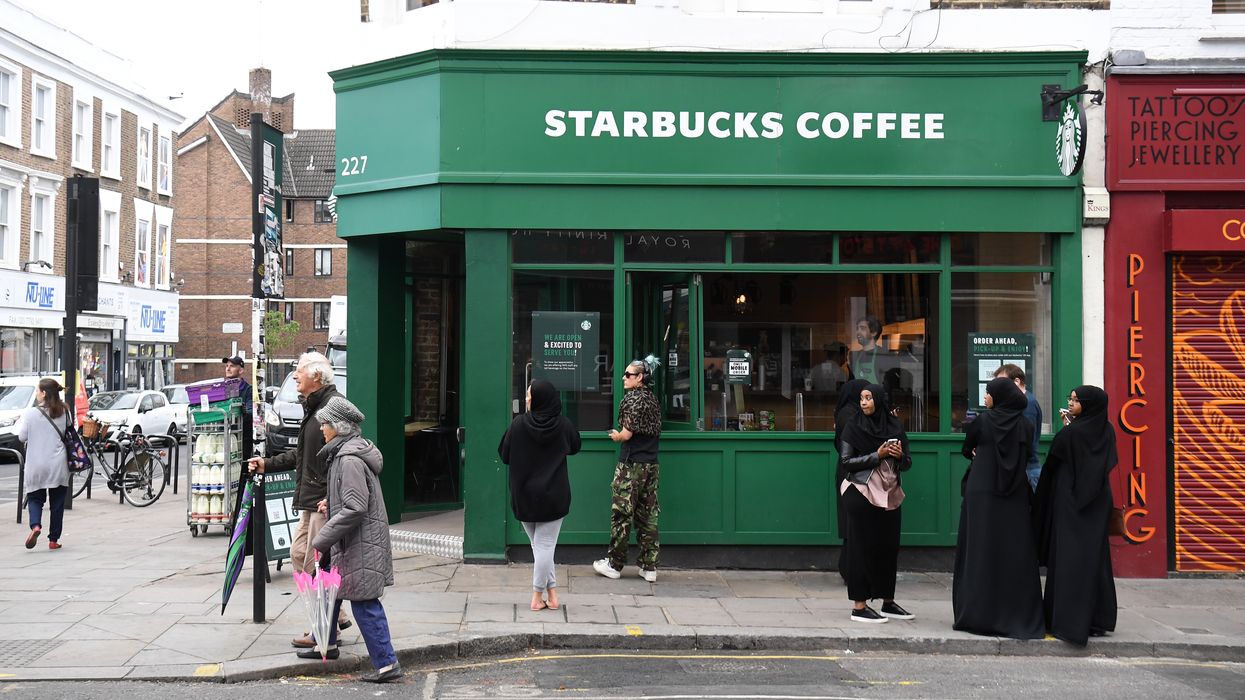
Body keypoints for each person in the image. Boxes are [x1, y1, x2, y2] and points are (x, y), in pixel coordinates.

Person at [248, 350, 350, 644]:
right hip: (310, 500)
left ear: (316, 376)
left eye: (300, 371)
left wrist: (334, 498)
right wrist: (269, 464)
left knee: (317, 566)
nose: (295, 375)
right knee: (298, 556)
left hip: (324, 501)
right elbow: (304, 454)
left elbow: (346, 456)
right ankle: (337, 615)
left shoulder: (333, 407)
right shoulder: (314, 406)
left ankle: (323, 628)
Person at [304, 396, 401, 683]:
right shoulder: (345, 454)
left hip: (358, 542)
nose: (322, 428)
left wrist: (322, 538)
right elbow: (352, 498)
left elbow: (356, 507)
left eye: (325, 424)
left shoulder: (347, 460)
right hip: (351, 541)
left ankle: (387, 663)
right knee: (328, 588)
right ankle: (326, 643)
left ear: (339, 427)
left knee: (363, 602)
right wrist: (329, 502)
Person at [952, 377, 1044, 640]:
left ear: (999, 397)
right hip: (1013, 493)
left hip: (981, 492)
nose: (985, 398)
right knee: (1012, 552)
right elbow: (1028, 456)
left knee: (980, 549)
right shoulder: (1025, 425)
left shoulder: (982, 422)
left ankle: (978, 613)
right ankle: (1013, 613)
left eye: (989, 393)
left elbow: (966, 448)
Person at [1033, 385, 1119, 646]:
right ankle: (1097, 619)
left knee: (1069, 559)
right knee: (1094, 557)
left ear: (1088, 404)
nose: (1070, 403)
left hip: (1070, 501)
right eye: (1069, 399)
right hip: (1097, 502)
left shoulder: (1071, 434)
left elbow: (1055, 461)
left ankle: (1068, 621)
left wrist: (1068, 428)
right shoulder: (1106, 430)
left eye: (1075, 400)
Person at [499, 380, 582, 611]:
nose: (526, 399)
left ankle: (551, 595)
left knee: (540, 547)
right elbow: (576, 446)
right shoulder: (563, 425)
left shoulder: (518, 425)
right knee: (544, 546)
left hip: (524, 495)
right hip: (553, 496)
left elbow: (504, 454)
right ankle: (539, 596)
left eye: (529, 395)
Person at [837, 384, 914, 623]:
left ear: (879, 401)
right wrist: (877, 455)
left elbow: (909, 462)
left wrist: (900, 457)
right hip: (860, 492)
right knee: (861, 548)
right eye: (861, 398)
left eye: (869, 398)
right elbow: (847, 462)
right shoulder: (853, 426)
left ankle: (887, 602)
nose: (864, 402)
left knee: (888, 548)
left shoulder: (895, 426)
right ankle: (859, 606)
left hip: (889, 493)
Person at [593, 358, 663, 583]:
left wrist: (616, 436)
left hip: (631, 464)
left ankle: (614, 565)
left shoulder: (633, 399)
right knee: (648, 515)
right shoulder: (652, 399)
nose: (623, 377)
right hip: (651, 464)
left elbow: (626, 434)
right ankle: (649, 567)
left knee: (622, 514)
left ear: (640, 377)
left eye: (628, 374)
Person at [20, 378, 70, 551]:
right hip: (58, 463)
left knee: (35, 498)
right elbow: (69, 432)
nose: (36, 393)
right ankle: (53, 540)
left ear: (44, 393)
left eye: (37, 391)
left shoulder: (31, 413)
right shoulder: (64, 412)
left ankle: (35, 526)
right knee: (57, 503)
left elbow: (22, 437)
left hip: (36, 463)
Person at [833, 379, 870, 582]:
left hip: (850, 470)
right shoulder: (849, 414)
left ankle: (849, 567)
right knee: (852, 523)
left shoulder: (847, 412)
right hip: (852, 472)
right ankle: (849, 568)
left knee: (853, 523)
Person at [994, 363, 1044, 491]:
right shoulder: (1021, 401)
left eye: (1003, 382)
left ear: (1016, 381)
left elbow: (1027, 439)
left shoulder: (1027, 403)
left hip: (1027, 470)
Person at [850, 316, 892, 386]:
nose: (858, 332)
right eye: (857, 329)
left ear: (874, 333)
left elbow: (888, 385)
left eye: (862, 329)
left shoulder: (883, 355)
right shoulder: (855, 355)